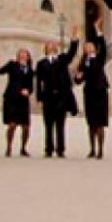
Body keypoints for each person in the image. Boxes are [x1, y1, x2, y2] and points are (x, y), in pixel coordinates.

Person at [36, 27, 80, 158]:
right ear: (46, 49)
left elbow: (71, 53)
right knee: (48, 124)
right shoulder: (41, 63)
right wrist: (39, 98)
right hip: (48, 97)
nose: (52, 46)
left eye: (54, 45)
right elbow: (38, 81)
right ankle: (48, 149)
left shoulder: (62, 59)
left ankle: (61, 149)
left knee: (60, 124)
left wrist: (74, 39)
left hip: (61, 97)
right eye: (49, 45)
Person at [74, 17, 110, 159]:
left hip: (100, 93)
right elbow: (79, 80)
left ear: (94, 48)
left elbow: (104, 46)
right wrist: (77, 77)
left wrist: (98, 30)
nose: (88, 47)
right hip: (89, 93)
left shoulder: (99, 58)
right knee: (91, 123)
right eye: (86, 46)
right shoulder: (83, 62)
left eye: (90, 45)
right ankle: (92, 149)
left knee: (100, 123)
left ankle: (101, 149)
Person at [0, 48, 35, 157]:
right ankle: (9, 146)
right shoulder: (12, 65)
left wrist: (28, 91)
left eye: (25, 54)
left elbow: (31, 86)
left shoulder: (30, 70)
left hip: (23, 100)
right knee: (12, 124)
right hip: (11, 98)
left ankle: (23, 148)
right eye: (20, 54)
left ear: (28, 57)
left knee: (26, 126)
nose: (22, 56)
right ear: (17, 56)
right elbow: (0, 71)